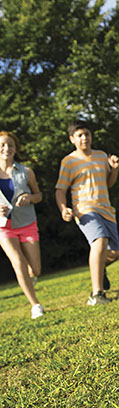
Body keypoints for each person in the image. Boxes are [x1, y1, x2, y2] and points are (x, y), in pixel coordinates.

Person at [55, 120, 119, 306]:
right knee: (100, 241)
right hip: (84, 209)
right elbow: (60, 190)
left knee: (114, 253)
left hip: (106, 209)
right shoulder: (69, 161)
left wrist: (114, 169)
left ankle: (99, 269)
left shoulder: (101, 156)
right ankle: (97, 294)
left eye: (87, 134)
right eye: (80, 135)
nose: (84, 138)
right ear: (72, 139)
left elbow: (108, 183)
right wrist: (63, 208)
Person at [0, 131, 46, 319]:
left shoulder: (26, 171)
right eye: (2, 145)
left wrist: (29, 197)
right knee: (18, 262)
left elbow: (39, 195)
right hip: (3, 226)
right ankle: (35, 305)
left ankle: (29, 277)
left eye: (10, 145)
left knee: (35, 269)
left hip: (27, 223)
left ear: (15, 148)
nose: (6, 149)